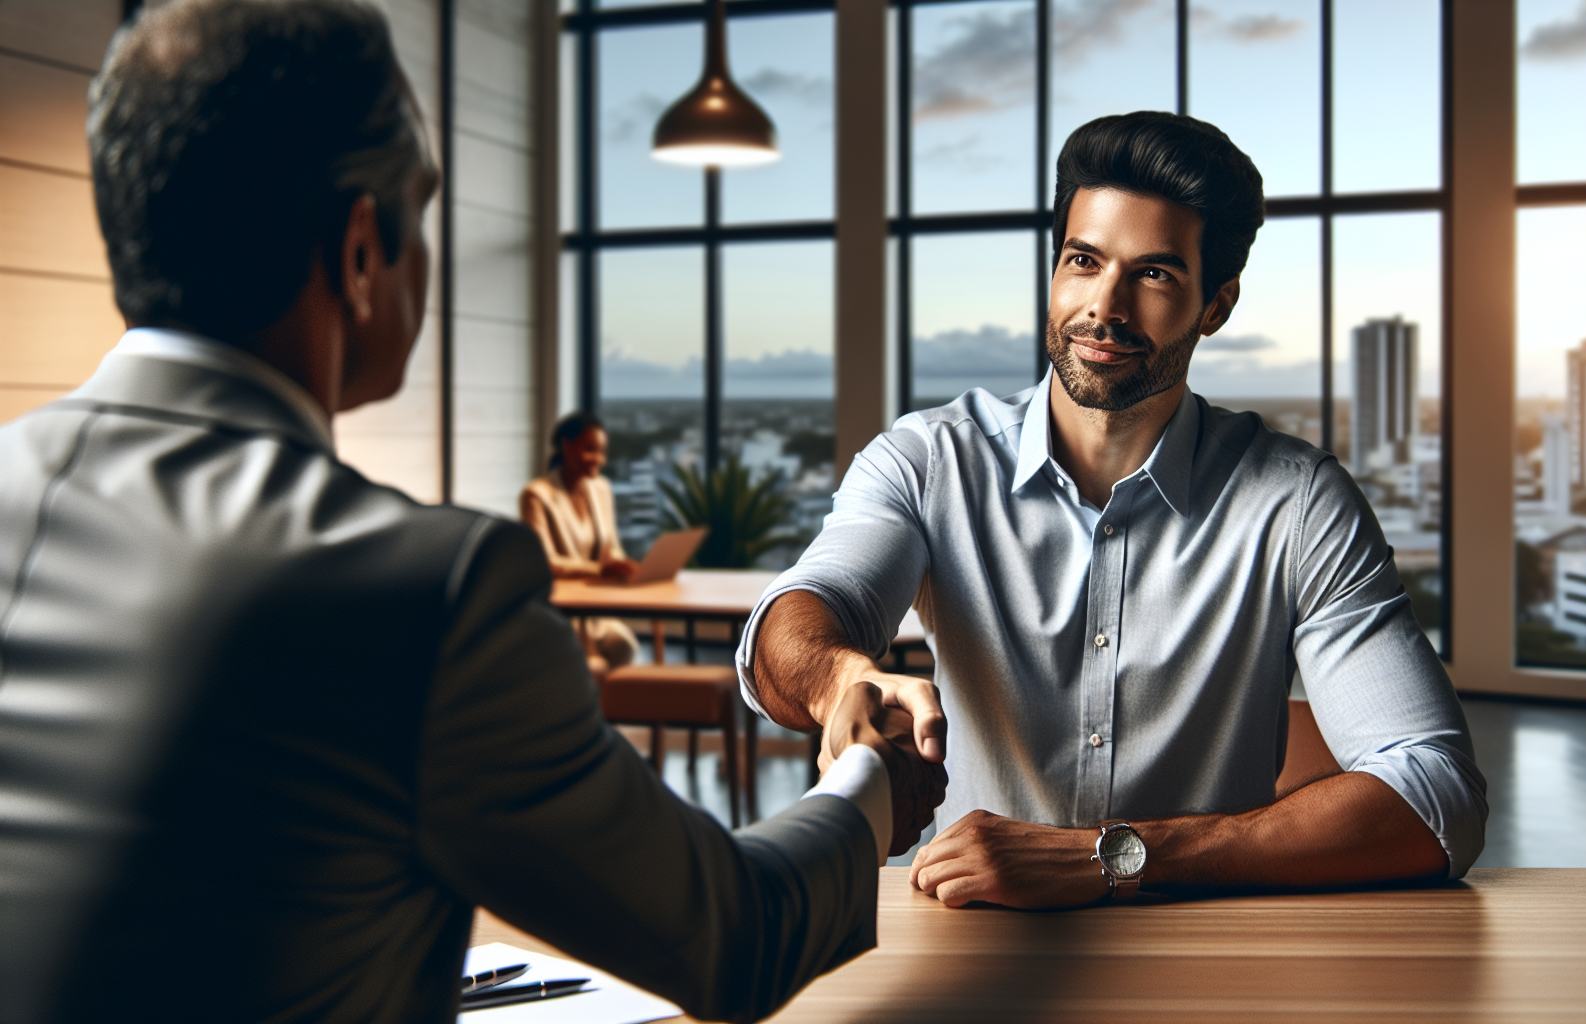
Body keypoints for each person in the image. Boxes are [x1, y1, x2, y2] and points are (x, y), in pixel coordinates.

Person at [0, 2, 943, 1022]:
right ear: (361, 252)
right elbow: (732, 935)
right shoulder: (423, 591)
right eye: (422, 210)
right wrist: (869, 787)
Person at [740, 111, 1487, 909]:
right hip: (970, 934)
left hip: (1209, 946)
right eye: (1083, 260)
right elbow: (800, 616)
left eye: (1155, 274)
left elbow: (1437, 793)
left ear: (1216, 305)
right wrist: (840, 680)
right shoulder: (929, 461)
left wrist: (1122, 857)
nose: (1106, 306)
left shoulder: (1297, 502)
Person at [521, 411, 641, 673]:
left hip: (596, 606)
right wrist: (599, 570)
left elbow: (611, 546)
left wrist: (621, 565)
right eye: (590, 449)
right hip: (561, 610)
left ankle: (609, 700)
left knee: (625, 646)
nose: (599, 459)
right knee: (593, 667)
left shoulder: (601, 488)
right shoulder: (537, 496)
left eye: (602, 451)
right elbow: (544, 562)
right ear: (566, 446)